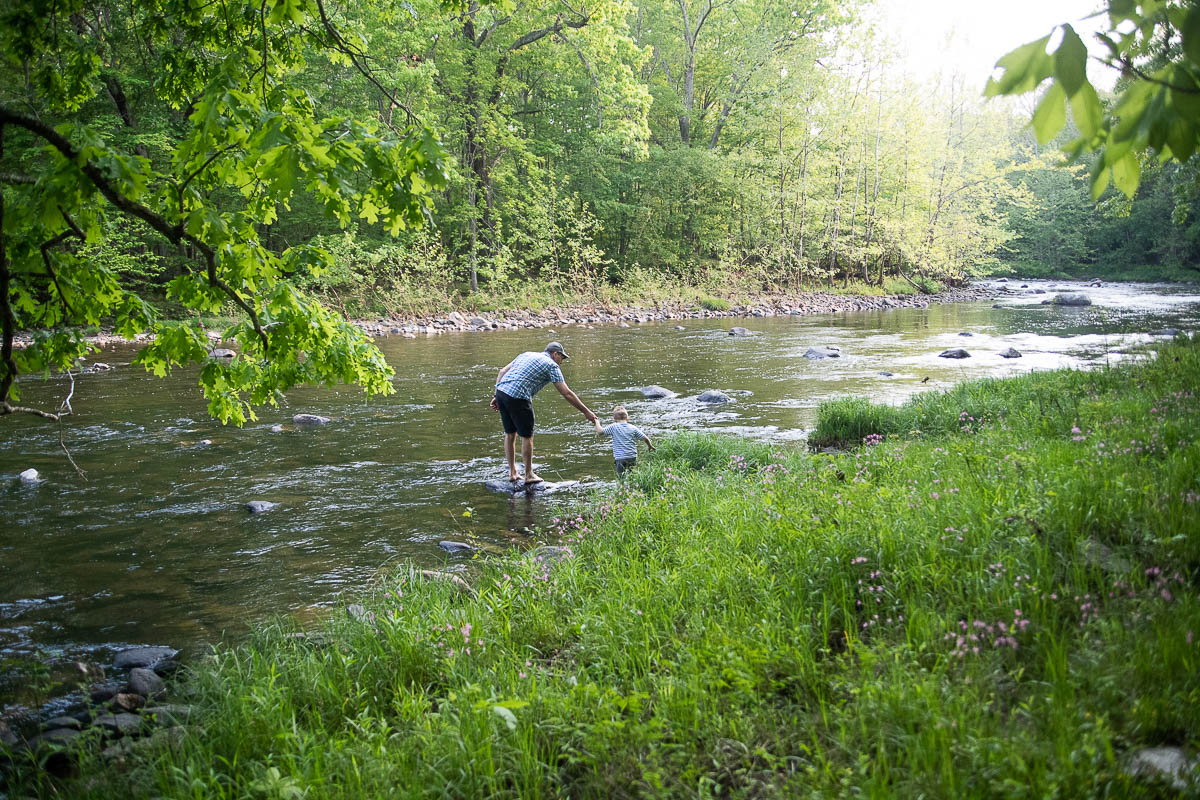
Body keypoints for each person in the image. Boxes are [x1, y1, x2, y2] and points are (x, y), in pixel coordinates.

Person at [491, 342, 597, 484]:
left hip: (502, 392)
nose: (561, 362)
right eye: (562, 358)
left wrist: (496, 395)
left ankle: (512, 473)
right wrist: (586, 412)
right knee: (527, 436)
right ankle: (529, 475)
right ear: (555, 354)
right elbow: (567, 393)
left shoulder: (526, 354)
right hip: (518, 397)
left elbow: (502, 372)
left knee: (510, 433)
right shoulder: (551, 365)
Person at [593, 405, 654, 477]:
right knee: (632, 476)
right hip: (632, 457)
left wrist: (596, 422)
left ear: (614, 420)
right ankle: (633, 487)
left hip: (620, 458)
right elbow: (645, 438)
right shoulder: (633, 428)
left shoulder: (614, 426)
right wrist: (650, 446)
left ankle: (622, 487)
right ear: (628, 419)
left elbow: (600, 432)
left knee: (621, 478)